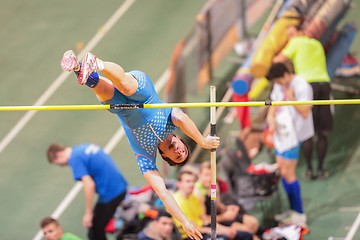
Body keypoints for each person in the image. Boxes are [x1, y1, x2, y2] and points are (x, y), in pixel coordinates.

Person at [60, 50, 220, 240]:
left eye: (177, 156)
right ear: (180, 139)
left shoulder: (145, 155)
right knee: (126, 86)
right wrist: (202, 142)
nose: (178, 151)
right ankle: (97, 63)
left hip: (122, 108)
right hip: (142, 93)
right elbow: (184, 119)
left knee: (100, 88)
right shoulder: (172, 119)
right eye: (182, 149)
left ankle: (78, 67)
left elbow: (163, 192)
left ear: (166, 158)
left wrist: (184, 221)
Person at [274, 25, 333, 179]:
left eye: (291, 34)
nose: (290, 38)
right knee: (322, 132)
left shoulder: (295, 43)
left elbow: (277, 61)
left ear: (300, 33)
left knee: (307, 131)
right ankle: (320, 169)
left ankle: (308, 169)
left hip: (308, 86)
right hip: (324, 84)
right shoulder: (316, 43)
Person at [265, 62, 314, 227]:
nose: (277, 85)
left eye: (279, 81)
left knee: (289, 173)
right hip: (281, 134)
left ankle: (299, 214)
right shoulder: (279, 86)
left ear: (286, 75)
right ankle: (292, 210)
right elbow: (273, 104)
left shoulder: (302, 86)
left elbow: (305, 112)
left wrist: (291, 97)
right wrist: (270, 120)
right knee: (282, 172)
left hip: (294, 135)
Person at [47, 143, 128, 240]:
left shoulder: (75, 159)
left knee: (95, 231)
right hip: (119, 186)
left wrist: (88, 213)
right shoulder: (82, 148)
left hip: (111, 194)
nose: (61, 166)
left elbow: (89, 184)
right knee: (97, 227)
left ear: (58, 155)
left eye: (59, 163)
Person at [173, 169, 253, 240]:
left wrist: (224, 228)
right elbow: (192, 227)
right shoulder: (179, 200)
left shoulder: (193, 197)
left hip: (207, 227)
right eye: (188, 181)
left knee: (246, 234)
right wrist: (217, 230)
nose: (191, 184)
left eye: (193, 181)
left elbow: (205, 219)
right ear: (179, 184)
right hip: (192, 234)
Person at [193, 161, 260, 239]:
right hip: (212, 223)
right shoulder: (197, 193)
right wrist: (224, 217)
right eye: (206, 175)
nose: (209, 178)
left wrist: (228, 208)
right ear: (199, 175)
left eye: (212, 175)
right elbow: (204, 220)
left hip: (220, 216)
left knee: (253, 222)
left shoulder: (214, 186)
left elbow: (218, 205)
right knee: (247, 231)